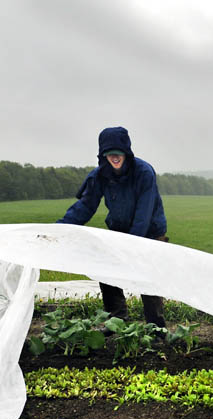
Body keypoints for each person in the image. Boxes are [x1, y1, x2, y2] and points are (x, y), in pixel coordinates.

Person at [57, 126, 168, 331]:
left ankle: (156, 327)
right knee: (104, 267)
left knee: (148, 278)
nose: (114, 157)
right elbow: (85, 205)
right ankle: (117, 319)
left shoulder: (144, 172)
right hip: (119, 231)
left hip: (149, 233)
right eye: (109, 153)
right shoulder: (100, 175)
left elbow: (144, 214)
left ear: (127, 152)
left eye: (118, 153)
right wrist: (60, 228)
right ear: (103, 155)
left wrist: (131, 245)